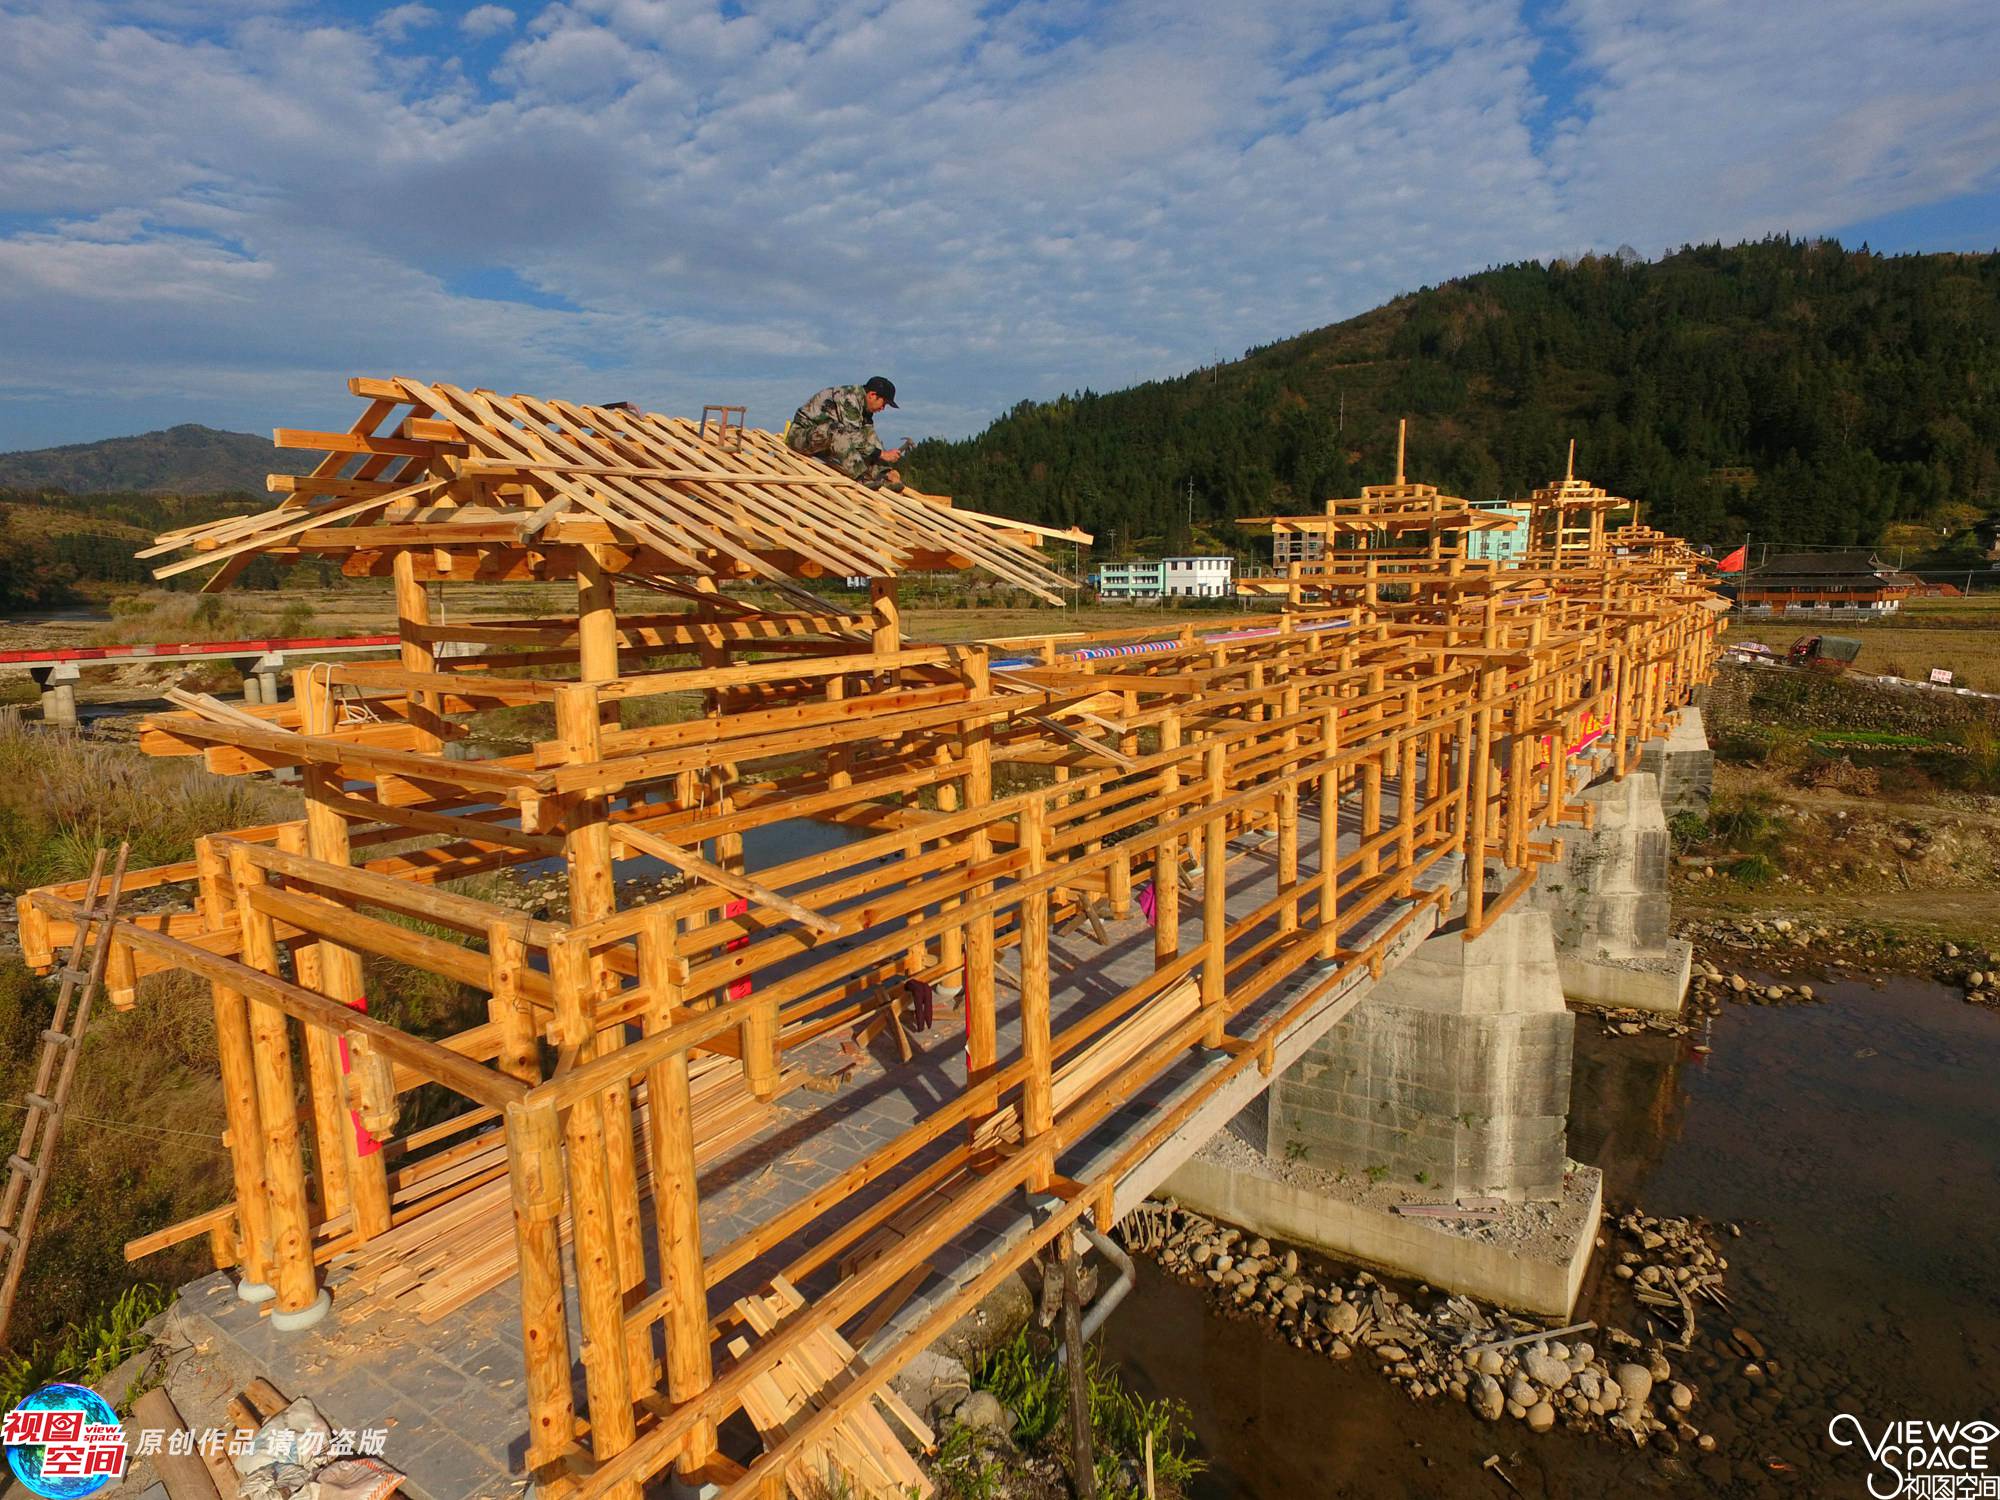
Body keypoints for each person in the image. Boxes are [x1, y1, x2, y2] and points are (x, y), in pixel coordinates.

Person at [787, 375, 906, 489]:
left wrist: (884, 468)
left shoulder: (864, 408)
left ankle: (883, 475)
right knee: (836, 430)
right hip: (800, 437)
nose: (882, 408)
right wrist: (882, 454)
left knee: (865, 435)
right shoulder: (849, 398)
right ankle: (861, 476)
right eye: (883, 403)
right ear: (872, 395)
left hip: (822, 442)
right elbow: (853, 436)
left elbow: (869, 436)